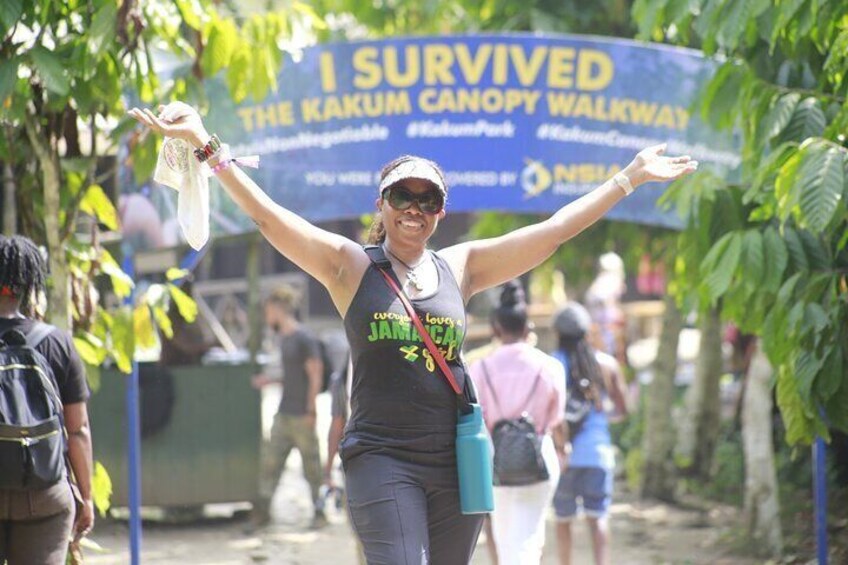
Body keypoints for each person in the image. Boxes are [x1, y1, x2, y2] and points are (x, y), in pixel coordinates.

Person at [128, 101, 696, 563]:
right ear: (383, 203)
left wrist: (629, 178)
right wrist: (209, 146)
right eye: (404, 196)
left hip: (456, 462)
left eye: (429, 200)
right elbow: (271, 218)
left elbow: (551, 232)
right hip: (381, 459)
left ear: (441, 212)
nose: (415, 209)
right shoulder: (350, 266)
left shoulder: (462, 267)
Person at [0, 235, 95, 564]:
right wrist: (86, 495)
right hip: (43, 494)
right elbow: (78, 429)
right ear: (29, 283)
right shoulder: (57, 343)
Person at [469, 280, 567, 564]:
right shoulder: (550, 367)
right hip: (538, 457)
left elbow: (475, 417)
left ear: (495, 329)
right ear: (528, 328)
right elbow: (555, 417)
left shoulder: (480, 367)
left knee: (504, 535)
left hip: (495, 460)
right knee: (531, 536)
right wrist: (564, 449)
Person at [551, 302, 629, 565]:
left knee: (563, 520)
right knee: (598, 519)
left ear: (557, 333)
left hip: (563, 456)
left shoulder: (551, 365)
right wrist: (601, 419)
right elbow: (623, 409)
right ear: (587, 332)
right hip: (598, 453)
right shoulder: (606, 365)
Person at [250, 286, 326, 530]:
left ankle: (320, 511)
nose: (266, 316)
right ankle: (262, 514)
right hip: (284, 413)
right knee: (270, 465)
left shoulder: (304, 338)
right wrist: (269, 381)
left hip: (302, 415)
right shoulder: (284, 339)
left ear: (277, 309)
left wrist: (311, 409)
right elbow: (290, 375)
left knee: (312, 468)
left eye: (268, 311)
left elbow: (315, 373)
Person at [585, 252, 627, 365]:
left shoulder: (598, 283)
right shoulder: (612, 281)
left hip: (597, 327)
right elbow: (610, 310)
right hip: (605, 329)